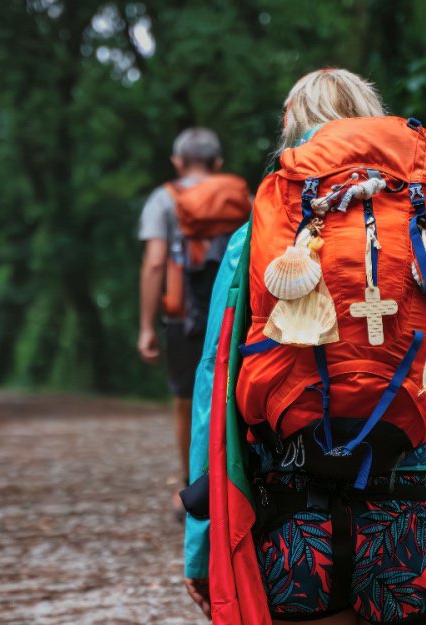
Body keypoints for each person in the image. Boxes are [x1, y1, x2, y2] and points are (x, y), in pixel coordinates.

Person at [183, 69, 426, 625]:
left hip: (294, 522)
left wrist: (203, 540)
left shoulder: (262, 233)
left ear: (291, 125)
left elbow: (214, 384)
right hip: (415, 518)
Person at [138, 128, 248, 515]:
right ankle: (236, 482)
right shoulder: (240, 197)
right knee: (234, 396)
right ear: (218, 164)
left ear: (177, 162)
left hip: (184, 316)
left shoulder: (164, 200)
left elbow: (155, 262)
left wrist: (147, 326)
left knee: (186, 401)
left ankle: (191, 487)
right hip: (233, 312)